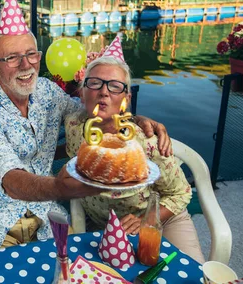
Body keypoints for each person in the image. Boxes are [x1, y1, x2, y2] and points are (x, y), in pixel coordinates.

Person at [0, 0, 171, 251]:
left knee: (76, 272)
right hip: (2, 223)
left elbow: (90, 110)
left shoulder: (47, 91)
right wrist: (62, 188)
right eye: (12, 58)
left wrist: (135, 118)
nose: (26, 65)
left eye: (31, 54)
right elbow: (11, 180)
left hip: (49, 216)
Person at [64, 54, 205, 263]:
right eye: (94, 83)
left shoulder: (146, 142)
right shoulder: (73, 126)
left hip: (160, 219)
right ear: (82, 93)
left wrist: (144, 220)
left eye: (115, 86)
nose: (104, 91)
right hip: (102, 224)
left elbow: (180, 193)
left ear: (126, 99)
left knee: (188, 274)